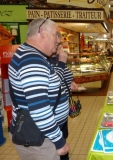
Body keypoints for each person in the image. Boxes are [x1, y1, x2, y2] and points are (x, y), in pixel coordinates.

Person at [8, 18, 70, 159]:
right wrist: (59, 142)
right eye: (56, 34)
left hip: (42, 135)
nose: (59, 40)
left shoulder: (33, 55)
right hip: (40, 139)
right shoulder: (31, 60)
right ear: (42, 32)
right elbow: (39, 109)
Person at [49, 34, 78, 160]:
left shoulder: (57, 60)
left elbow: (66, 75)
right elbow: (53, 83)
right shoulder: (46, 61)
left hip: (63, 112)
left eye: (61, 45)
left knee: (64, 136)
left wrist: (71, 82)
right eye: (58, 45)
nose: (60, 47)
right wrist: (61, 62)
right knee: (56, 144)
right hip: (53, 115)